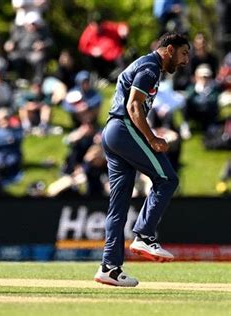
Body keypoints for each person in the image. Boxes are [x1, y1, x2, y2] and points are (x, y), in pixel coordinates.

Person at [94, 32, 189, 287]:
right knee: (167, 179)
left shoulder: (147, 66)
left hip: (113, 133)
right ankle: (145, 236)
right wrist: (152, 138)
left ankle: (109, 267)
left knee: (119, 205)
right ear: (169, 50)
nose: (185, 61)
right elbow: (134, 107)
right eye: (183, 54)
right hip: (125, 129)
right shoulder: (150, 67)